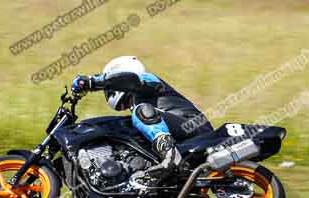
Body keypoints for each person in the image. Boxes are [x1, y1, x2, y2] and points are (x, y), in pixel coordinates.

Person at [71, 56, 213, 178]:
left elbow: (129, 80)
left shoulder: (148, 80)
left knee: (141, 111)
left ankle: (169, 155)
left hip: (191, 126)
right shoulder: (137, 103)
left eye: (110, 81)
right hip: (182, 138)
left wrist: (92, 82)